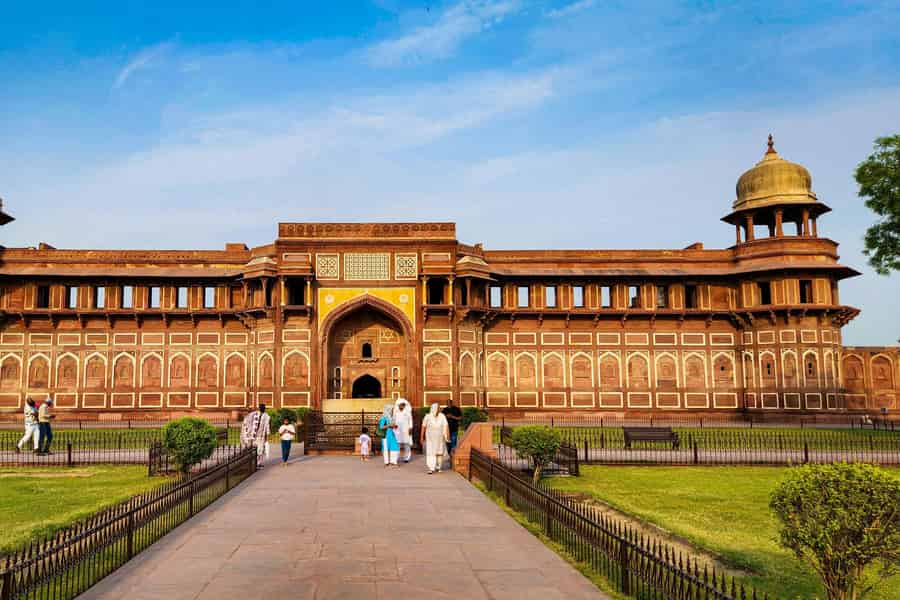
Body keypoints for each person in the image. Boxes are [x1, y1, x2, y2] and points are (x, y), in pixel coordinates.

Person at [420, 403, 449, 474]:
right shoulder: (427, 416)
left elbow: (446, 425)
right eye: (439, 408)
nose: (440, 409)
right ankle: (431, 468)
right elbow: (423, 427)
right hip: (430, 439)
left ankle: (439, 467)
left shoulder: (442, 416)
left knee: (440, 453)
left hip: (440, 438)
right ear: (434, 409)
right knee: (431, 453)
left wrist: (448, 435)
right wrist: (421, 437)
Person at [393, 398, 413, 463]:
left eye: (403, 405)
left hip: (406, 430)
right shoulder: (395, 412)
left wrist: (410, 428)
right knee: (397, 444)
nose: (402, 406)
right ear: (398, 405)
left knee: (407, 444)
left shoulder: (407, 412)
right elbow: (393, 420)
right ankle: (396, 458)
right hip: (397, 430)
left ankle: (406, 458)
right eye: (401, 405)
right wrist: (394, 426)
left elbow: (410, 420)